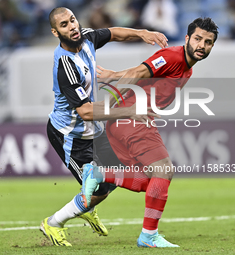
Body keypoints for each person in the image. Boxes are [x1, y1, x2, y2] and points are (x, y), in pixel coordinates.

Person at [82, 17, 218, 248]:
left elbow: (144, 71)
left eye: (208, 42)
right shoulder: (174, 56)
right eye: (197, 39)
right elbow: (138, 72)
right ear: (187, 38)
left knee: (150, 181)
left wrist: (114, 75)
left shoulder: (186, 68)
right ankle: (148, 235)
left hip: (131, 121)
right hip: (133, 120)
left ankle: (100, 174)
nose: (201, 46)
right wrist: (114, 100)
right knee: (164, 170)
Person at [40, 7, 168, 247]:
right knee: (97, 186)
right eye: (65, 25)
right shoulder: (65, 67)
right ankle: (53, 223)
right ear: (56, 33)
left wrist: (142, 33)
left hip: (94, 131)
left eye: (73, 20)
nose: (72, 26)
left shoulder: (86, 37)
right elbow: (86, 111)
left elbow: (113, 34)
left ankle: (86, 206)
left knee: (118, 174)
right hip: (70, 135)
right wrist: (128, 111)